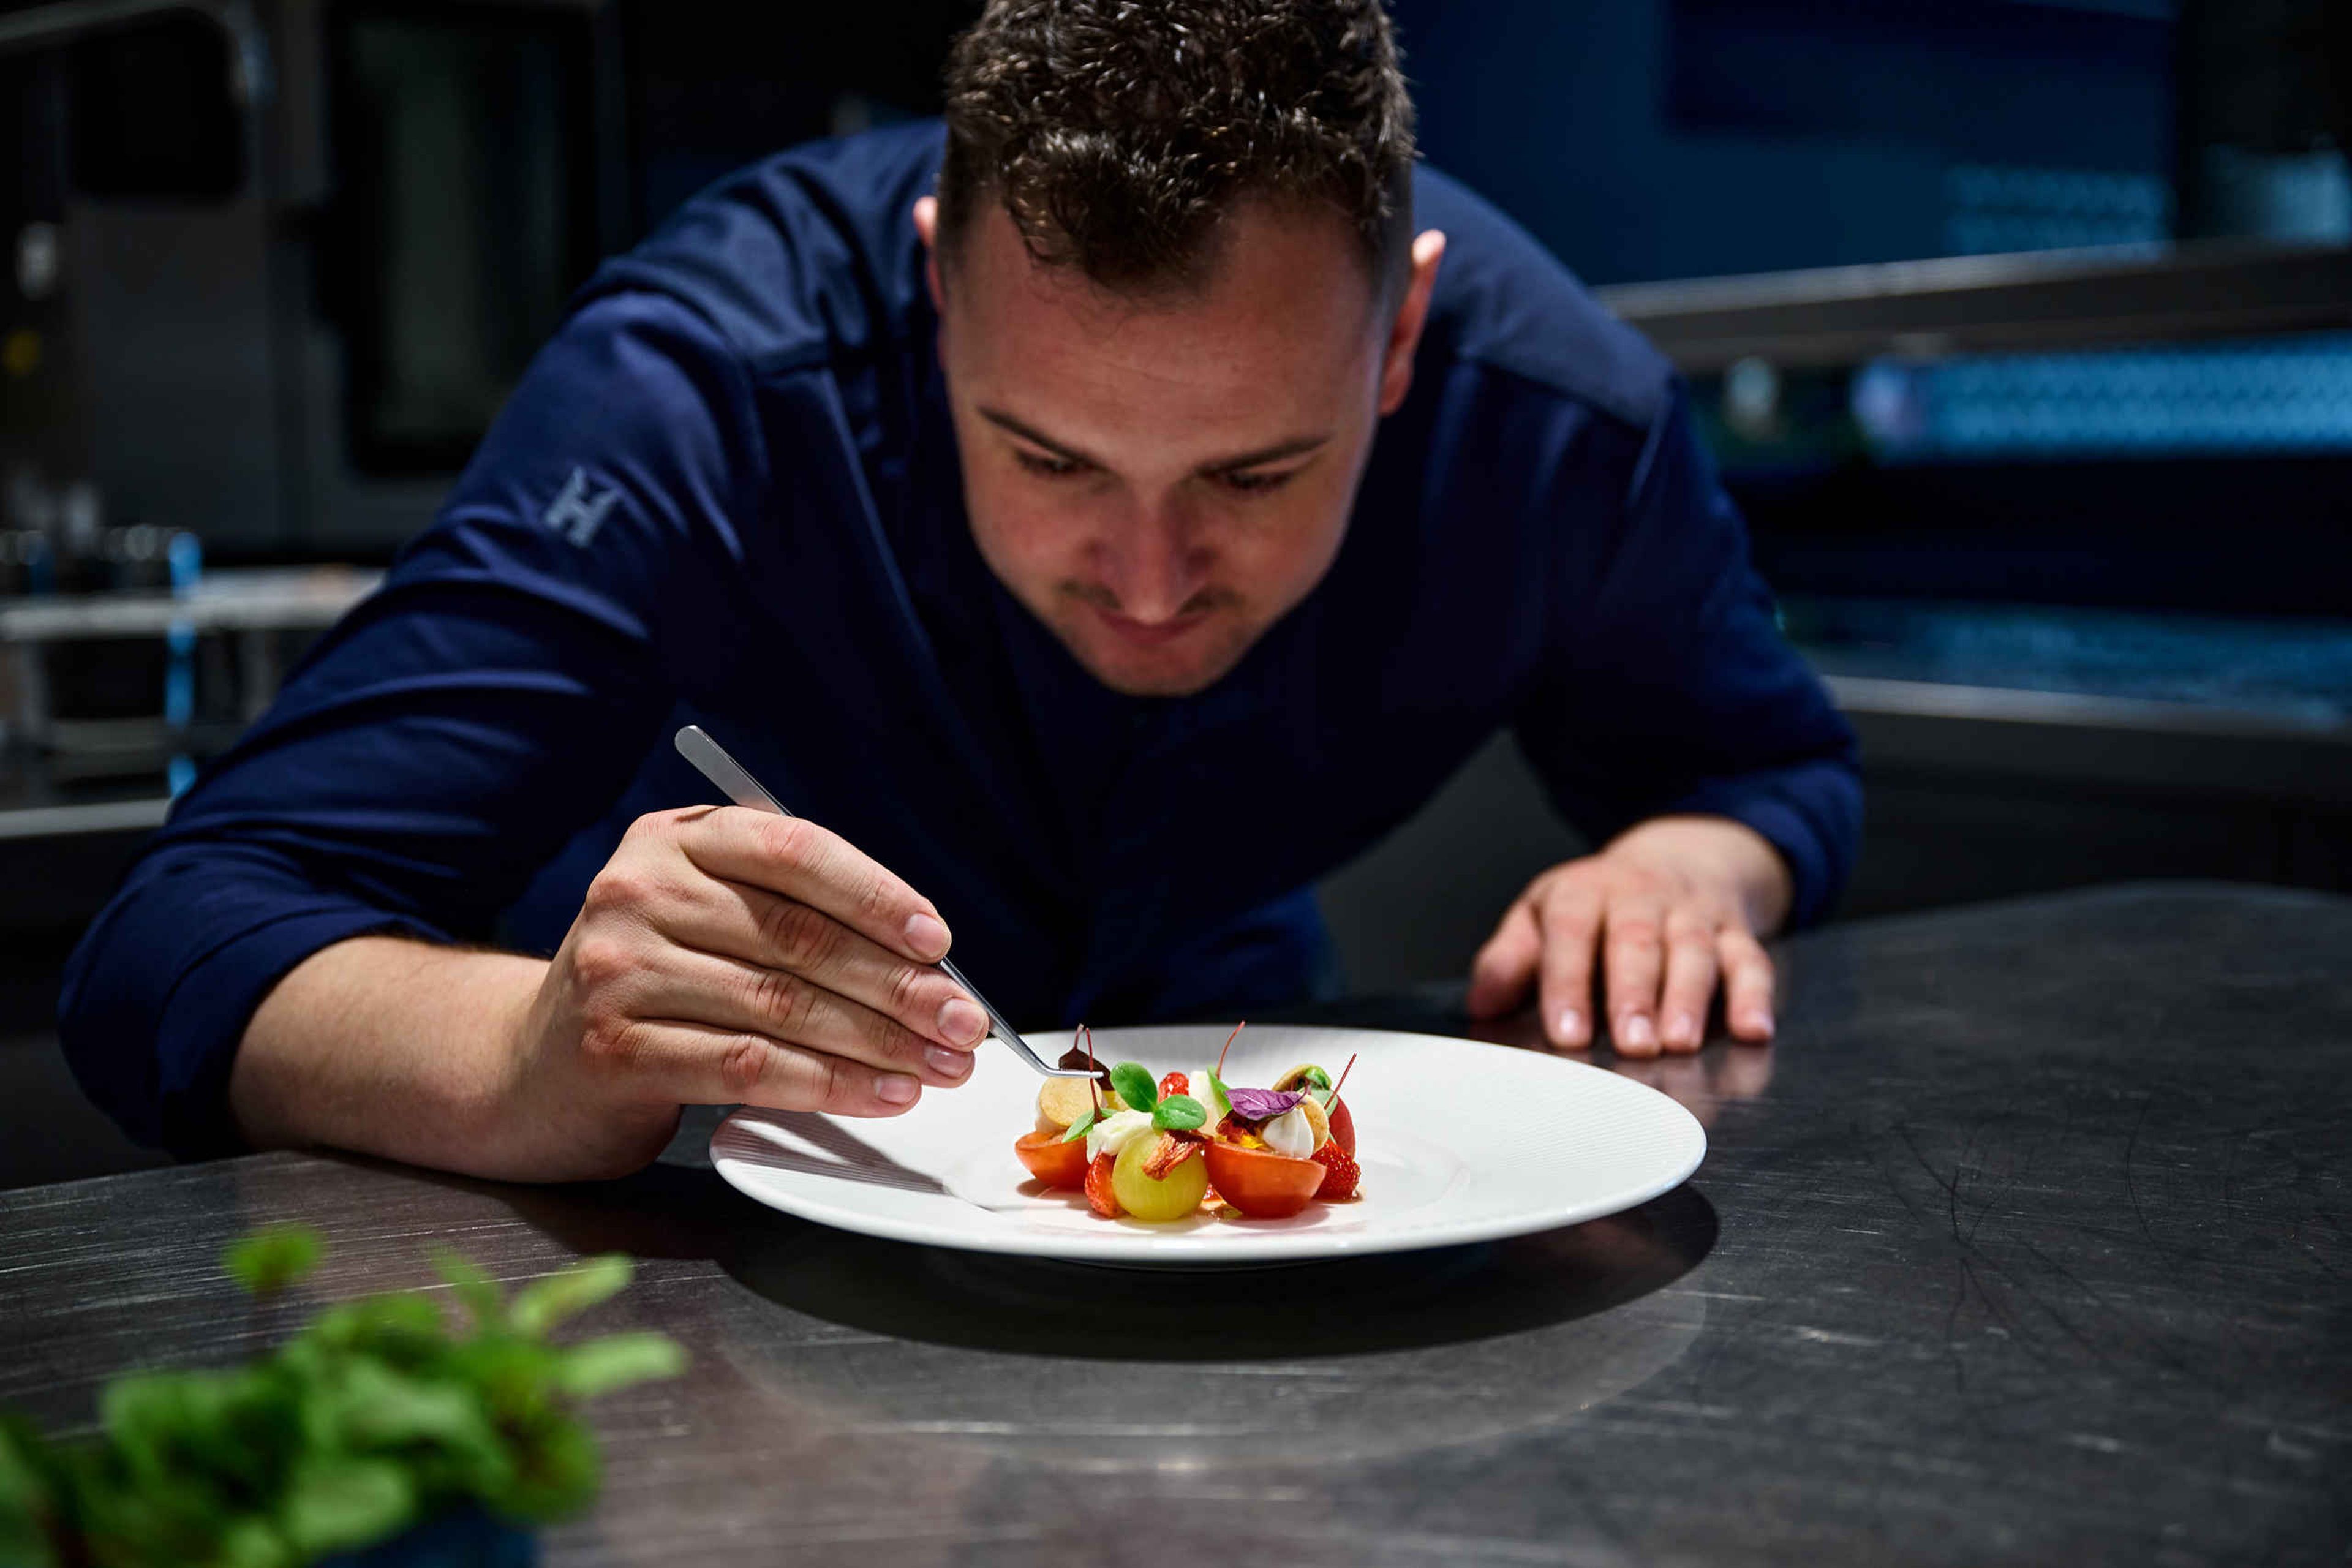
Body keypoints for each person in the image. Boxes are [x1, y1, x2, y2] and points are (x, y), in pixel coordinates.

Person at [62, 0, 1858, 1182]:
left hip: (1231, 1176)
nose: (1151, 582)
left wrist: (1688, 864)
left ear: (1401, 338)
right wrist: (531, 1053)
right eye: (1050, 457)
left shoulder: (1559, 424)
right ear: (937, 293)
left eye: (1257, 474)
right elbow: (175, 935)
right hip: (704, 1191)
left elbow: (1767, 771)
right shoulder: (709, 389)